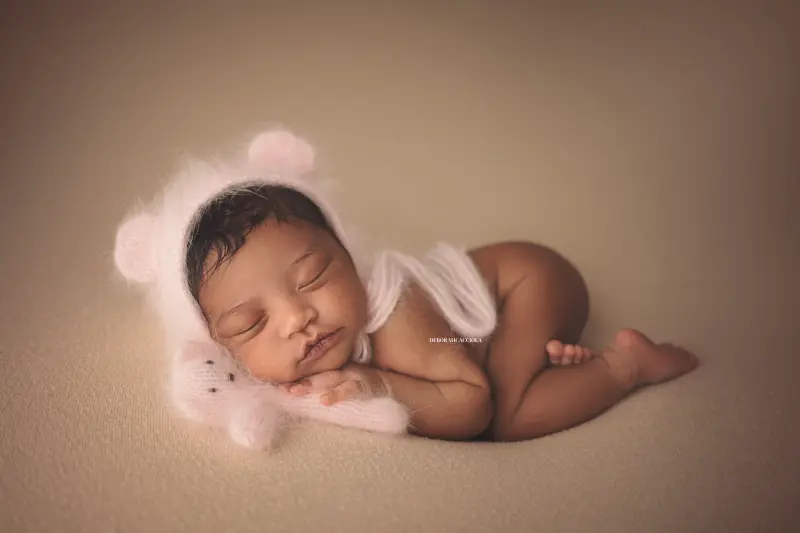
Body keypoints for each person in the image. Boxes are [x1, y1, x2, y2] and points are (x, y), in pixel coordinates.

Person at [188, 181, 699, 443]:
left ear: (349, 257)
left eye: (313, 277)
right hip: (475, 328)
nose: (296, 317)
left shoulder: (395, 319)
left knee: (509, 416)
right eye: (251, 324)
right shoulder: (298, 341)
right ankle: (538, 359)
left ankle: (626, 364)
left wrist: (378, 383)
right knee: (498, 367)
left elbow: (471, 404)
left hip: (530, 283)